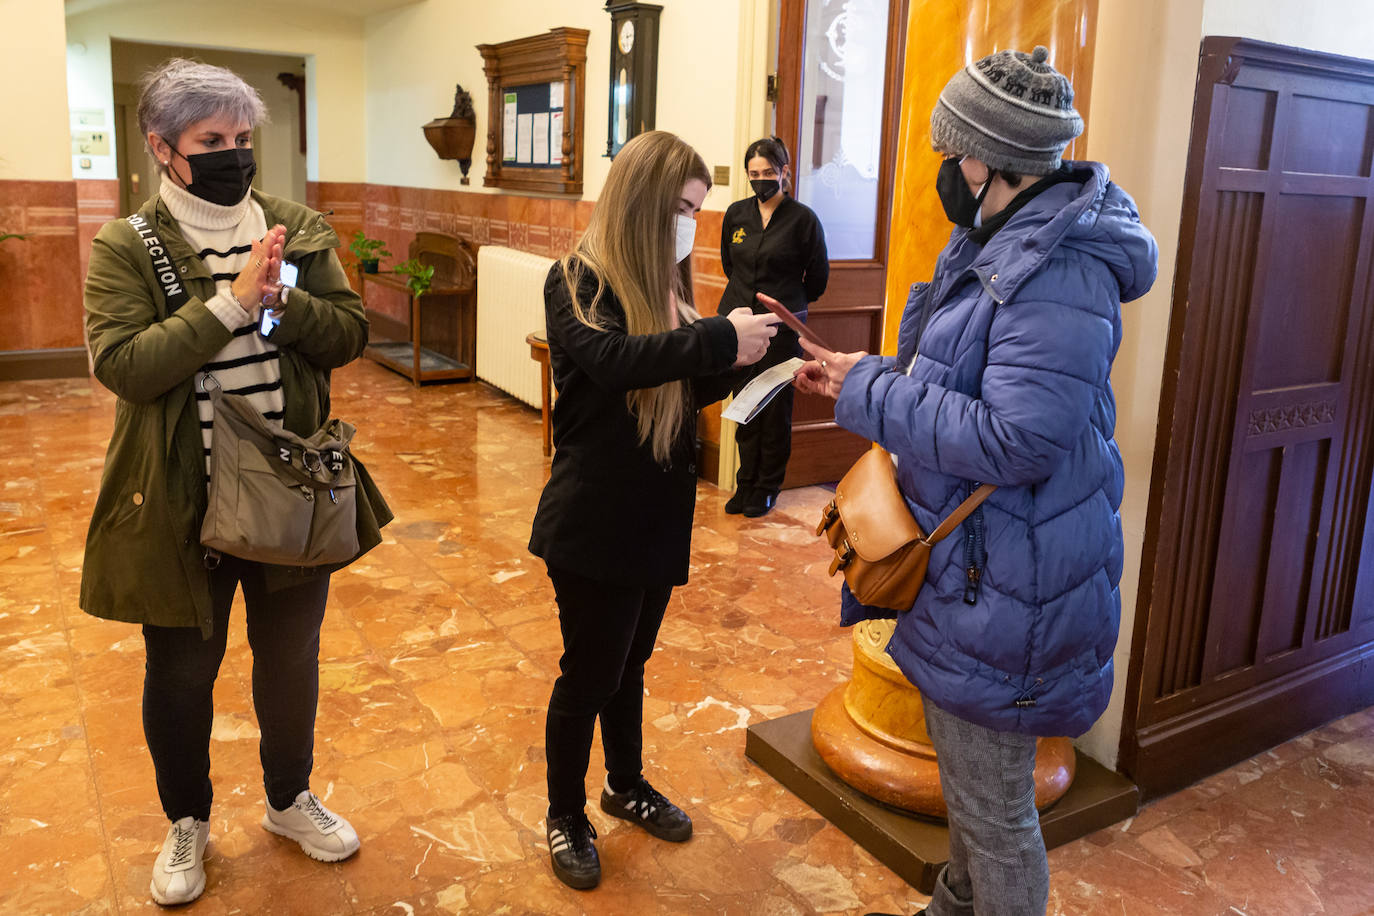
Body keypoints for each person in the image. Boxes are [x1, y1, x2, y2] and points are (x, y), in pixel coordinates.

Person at [794, 47, 1159, 916]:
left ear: (986, 160)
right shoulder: (1003, 241)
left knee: (996, 816)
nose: (941, 175)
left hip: (1011, 588)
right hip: (982, 574)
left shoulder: (1055, 270)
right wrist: (864, 374)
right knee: (973, 794)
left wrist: (869, 394)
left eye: (946, 155)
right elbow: (963, 380)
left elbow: (1017, 439)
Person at [81, 59, 377, 906]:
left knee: (291, 661)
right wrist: (232, 304)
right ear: (163, 148)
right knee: (179, 675)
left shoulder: (294, 226)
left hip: (288, 497)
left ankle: (288, 800)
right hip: (181, 502)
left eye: (243, 138)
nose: (233, 155)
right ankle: (189, 823)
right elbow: (129, 367)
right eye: (212, 141)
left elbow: (347, 335)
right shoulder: (125, 245)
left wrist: (281, 302)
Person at [528, 130, 779, 890]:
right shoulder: (575, 279)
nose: (687, 225)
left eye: (696, 212)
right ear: (640, 202)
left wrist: (752, 365)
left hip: (656, 516)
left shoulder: (668, 290)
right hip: (593, 519)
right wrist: (715, 339)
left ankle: (624, 783)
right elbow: (611, 364)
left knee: (631, 666)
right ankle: (565, 814)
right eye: (679, 208)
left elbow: (675, 387)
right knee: (590, 675)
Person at [719, 137, 828, 517]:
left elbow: (817, 280)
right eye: (754, 174)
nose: (761, 179)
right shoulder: (736, 214)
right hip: (738, 323)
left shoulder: (803, 220)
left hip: (782, 329)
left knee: (774, 408)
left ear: (784, 172)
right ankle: (745, 483)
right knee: (745, 405)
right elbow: (728, 266)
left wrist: (790, 301)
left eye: (768, 173)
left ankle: (767, 487)